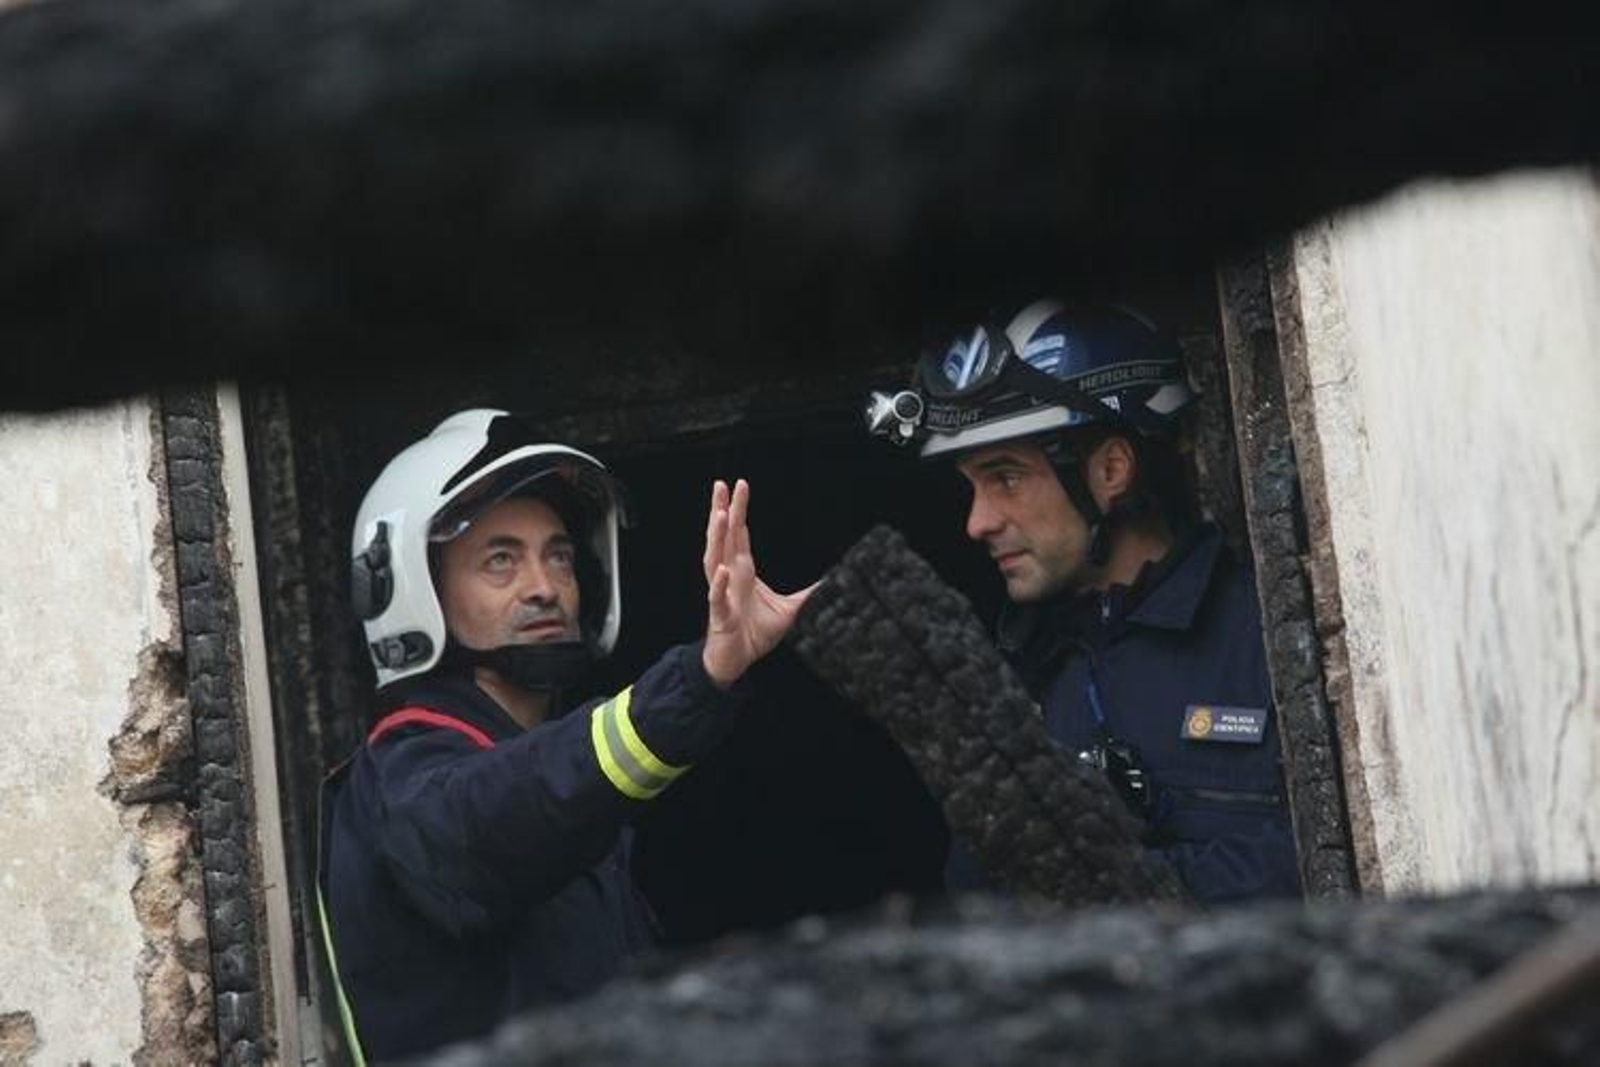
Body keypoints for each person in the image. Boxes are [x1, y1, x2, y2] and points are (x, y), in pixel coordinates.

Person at [319, 408, 814, 1062]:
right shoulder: (403, 778)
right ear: (411, 589)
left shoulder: (541, 769)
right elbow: (508, 810)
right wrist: (696, 679)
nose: (545, 587)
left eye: (559, 557)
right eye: (501, 561)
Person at [866, 299, 1301, 904]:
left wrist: (1122, 895)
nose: (977, 522)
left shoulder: (1268, 633)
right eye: (972, 487)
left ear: (1111, 469)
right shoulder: (1015, 685)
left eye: (1006, 478)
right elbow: (976, 909)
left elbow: (1327, 861)